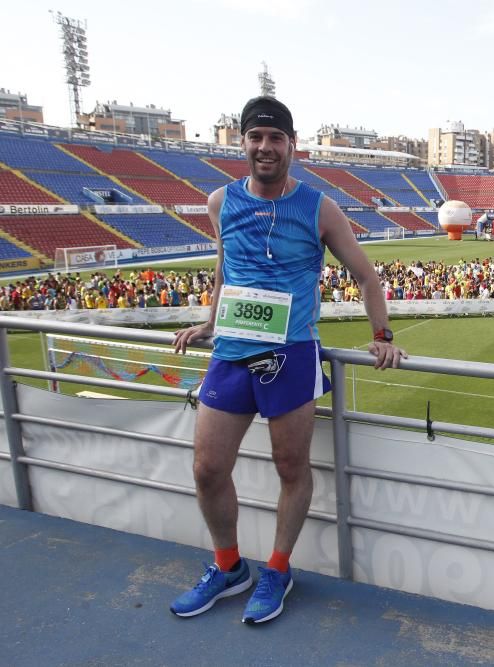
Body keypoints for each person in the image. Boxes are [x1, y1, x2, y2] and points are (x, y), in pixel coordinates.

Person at [169, 96, 406, 624]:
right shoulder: (219, 202)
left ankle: (277, 568)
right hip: (231, 352)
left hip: (292, 352)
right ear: (243, 143)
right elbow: (223, 269)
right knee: (208, 469)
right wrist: (210, 322)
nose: (265, 147)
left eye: (276, 138)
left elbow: (368, 277)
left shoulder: (319, 207)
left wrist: (382, 334)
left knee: (291, 468)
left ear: (291, 145)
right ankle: (229, 567)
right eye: (256, 137)